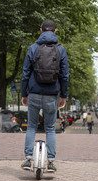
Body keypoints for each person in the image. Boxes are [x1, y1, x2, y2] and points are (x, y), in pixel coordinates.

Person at [20, 19, 69, 172]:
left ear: (40, 30)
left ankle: (28, 159)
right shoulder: (61, 50)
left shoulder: (33, 48)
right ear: (55, 32)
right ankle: (51, 162)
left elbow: (25, 73)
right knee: (49, 128)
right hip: (51, 94)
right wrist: (63, 95)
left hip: (34, 93)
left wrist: (24, 93)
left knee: (32, 127)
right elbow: (65, 76)